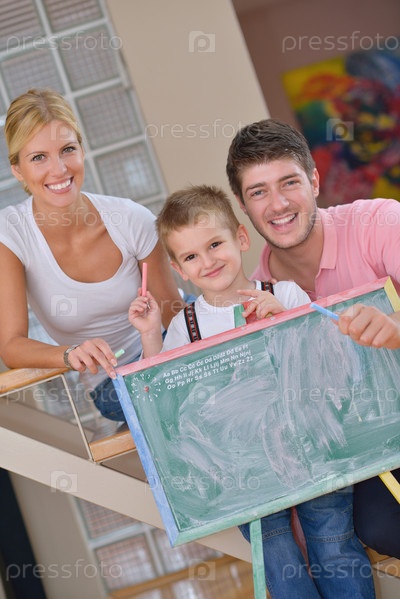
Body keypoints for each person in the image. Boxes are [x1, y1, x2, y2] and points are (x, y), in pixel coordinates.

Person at [128, 184, 375, 599]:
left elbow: (330, 357)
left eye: (215, 244)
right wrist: (151, 333)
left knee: (333, 539)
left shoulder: (284, 293)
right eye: (191, 256)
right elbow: (160, 391)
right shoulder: (186, 326)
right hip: (240, 468)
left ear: (241, 238)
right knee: (275, 552)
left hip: (313, 444)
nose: (208, 261)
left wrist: (288, 318)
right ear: (178, 269)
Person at [226, 117, 400, 559]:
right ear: (242, 206)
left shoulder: (380, 223)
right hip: (372, 446)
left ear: (315, 181)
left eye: (289, 182)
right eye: (258, 192)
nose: (278, 204)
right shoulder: (254, 303)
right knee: (379, 525)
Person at [0, 88, 185, 422]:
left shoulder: (130, 219)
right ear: (17, 169)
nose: (59, 169)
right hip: (112, 382)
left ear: (82, 150)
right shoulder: (11, 234)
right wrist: (69, 354)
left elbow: (174, 315)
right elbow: (12, 346)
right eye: (38, 157)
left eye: (68, 149)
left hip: (170, 346)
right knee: (157, 404)